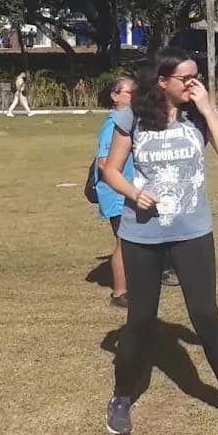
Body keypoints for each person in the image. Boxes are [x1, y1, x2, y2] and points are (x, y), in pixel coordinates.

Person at [101, 48, 218, 435]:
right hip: (141, 235)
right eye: (185, 78)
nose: (193, 83)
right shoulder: (131, 118)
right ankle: (121, 397)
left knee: (205, 315)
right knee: (140, 318)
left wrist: (209, 110)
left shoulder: (197, 116)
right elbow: (110, 171)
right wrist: (134, 194)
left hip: (192, 233)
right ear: (162, 82)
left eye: (196, 76)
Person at [95, 75, 137, 308]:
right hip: (117, 192)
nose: (135, 97)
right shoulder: (113, 123)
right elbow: (103, 162)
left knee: (132, 241)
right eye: (131, 93)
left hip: (128, 190)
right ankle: (119, 293)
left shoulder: (127, 120)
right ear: (115, 96)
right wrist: (125, 186)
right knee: (124, 242)